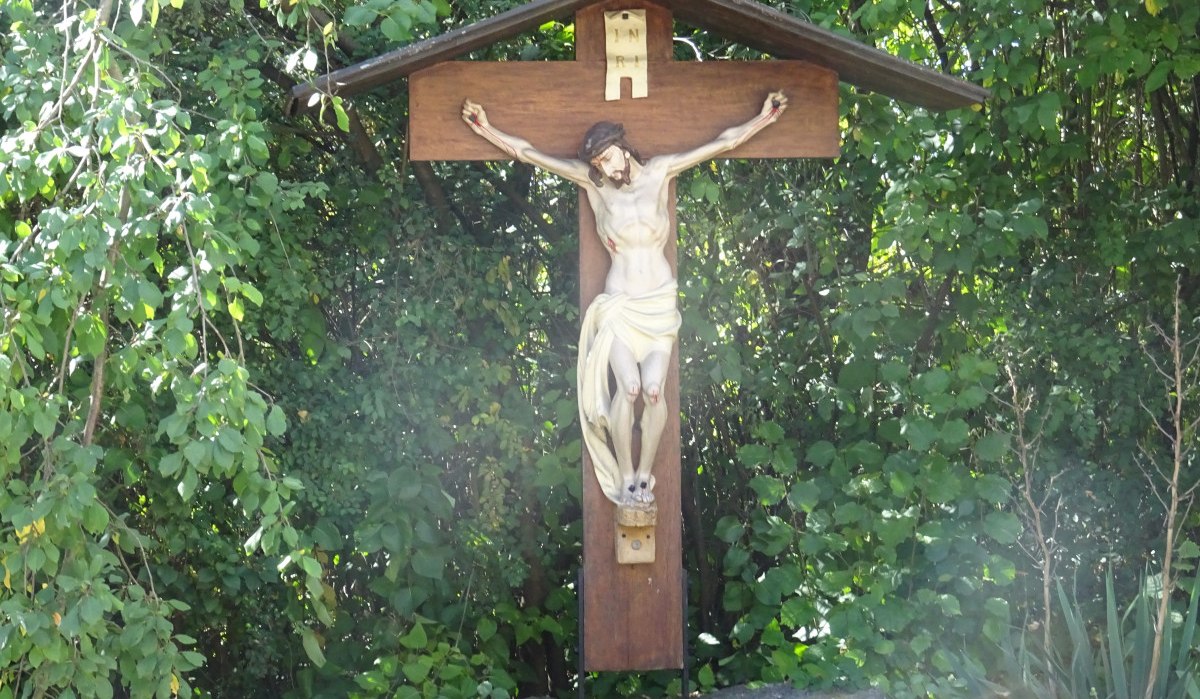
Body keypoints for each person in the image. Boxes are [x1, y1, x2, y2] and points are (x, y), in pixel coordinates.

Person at [461, 91, 788, 507]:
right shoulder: (596, 187)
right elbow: (530, 154)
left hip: (658, 304)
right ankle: (626, 472)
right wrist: (483, 126)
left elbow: (722, 143)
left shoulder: (661, 171)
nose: (607, 167)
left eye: (609, 157)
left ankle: (643, 475)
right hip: (619, 305)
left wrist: (765, 118)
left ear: (622, 145)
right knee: (629, 388)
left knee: (654, 390)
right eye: (599, 163)